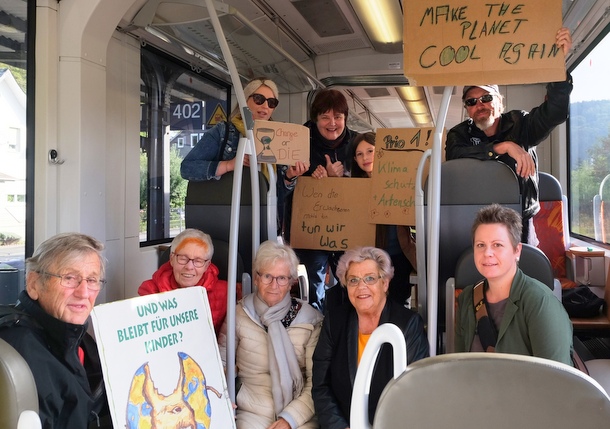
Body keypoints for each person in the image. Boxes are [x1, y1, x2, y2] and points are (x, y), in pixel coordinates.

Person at [445, 28, 573, 244]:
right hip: (475, 219)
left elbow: (555, 113)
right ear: (467, 109)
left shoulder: (521, 123)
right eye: (471, 101)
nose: (479, 105)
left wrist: (559, 67)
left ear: (499, 102)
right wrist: (500, 147)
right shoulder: (459, 134)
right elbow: (455, 155)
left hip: (520, 220)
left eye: (486, 97)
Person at [0, 233, 111, 428]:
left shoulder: (78, 336)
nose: (83, 292)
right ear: (33, 284)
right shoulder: (22, 350)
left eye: (92, 280)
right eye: (69, 278)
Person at [312, 247, 429, 428]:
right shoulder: (335, 321)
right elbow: (321, 386)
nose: (361, 287)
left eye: (370, 278)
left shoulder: (408, 324)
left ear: (385, 283)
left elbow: (416, 390)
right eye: (353, 280)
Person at [218, 240, 323, 429]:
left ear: (291, 282)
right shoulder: (239, 314)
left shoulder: (311, 320)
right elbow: (220, 365)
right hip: (251, 410)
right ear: (257, 278)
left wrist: (289, 419)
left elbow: (317, 383)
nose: (274, 284)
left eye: (282, 278)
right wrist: (221, 397)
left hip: (301, 413)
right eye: (267, 276)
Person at [180, 77, 307, 230]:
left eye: (272, 102)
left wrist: (289, 177)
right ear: (245, 101)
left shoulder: (276, 139)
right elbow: (187, 168)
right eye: (259, 99)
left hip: (266, 222)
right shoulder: (223, 132)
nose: (265, 106)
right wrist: (229, 165)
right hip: (228, 220)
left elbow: (275, 193)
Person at [454, 204, 573, 365]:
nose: (487, 253)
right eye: (480, 245)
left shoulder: (539, 303)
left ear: (517, 251)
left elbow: (557, 379)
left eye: (497, 245)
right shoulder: (467, 299)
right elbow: (459, 367)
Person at [289, 89, 358, 312]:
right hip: (310, 229)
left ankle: (346, 325)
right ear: (315, 119)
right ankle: (315, 331)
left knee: (349, 280)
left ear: (345, 118)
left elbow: (366, 186)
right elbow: (285, 186)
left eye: (338, 117)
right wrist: (306, 178)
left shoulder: (357, 143)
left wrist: (339, 180)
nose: (332, 123)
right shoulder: (298, 142)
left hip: (347, 229)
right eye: (325, 117)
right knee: (312, 285)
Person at [348, 132, 417, 307]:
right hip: (367, 258)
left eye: (370, 151)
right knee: (371, 303)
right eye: (360, 154)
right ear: (355, 159)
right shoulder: (351, 188)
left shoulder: (399, 181)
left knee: (398, 303)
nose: (366, 157)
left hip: (399, 256)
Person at [138, 228, 228, 333]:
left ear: (207, 265)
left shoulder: (226, 293)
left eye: (198, 261)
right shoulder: (150, 291)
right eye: (183, 258)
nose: (189, 267)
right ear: (172, 259)